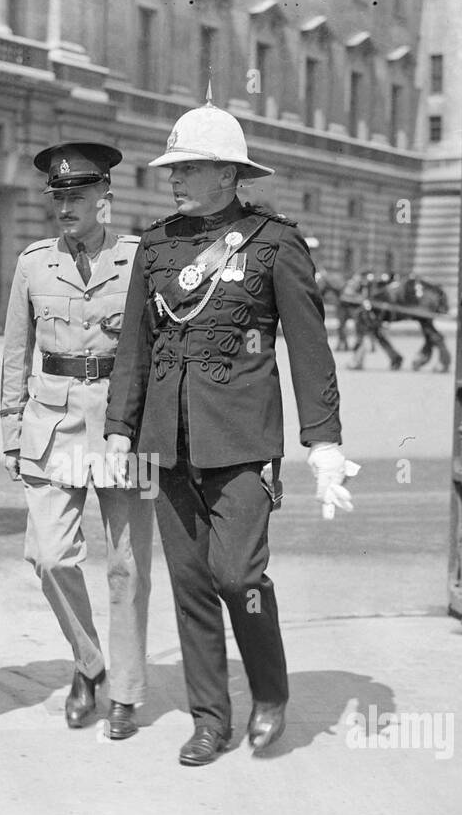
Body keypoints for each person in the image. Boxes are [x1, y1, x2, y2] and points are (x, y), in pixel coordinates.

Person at [105, 95, 354, 766]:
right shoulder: (156, 247)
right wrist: (120, 431)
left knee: (237, 572)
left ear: (227, 173)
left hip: (242, 442)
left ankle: (269, 693)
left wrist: (324, 441)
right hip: (167, 441)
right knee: (189, 583)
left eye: (188, 167)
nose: (174, 178)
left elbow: (309, 348)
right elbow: (133, 344)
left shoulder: (274, 245)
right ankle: (210, 719)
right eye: (173, 168)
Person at [0, 142, 154, 739]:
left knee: (127, 566)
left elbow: (155, 355)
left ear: (104, 200)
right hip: (52, 421)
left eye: (78, 196)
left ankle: (127, 693)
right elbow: (16, 352)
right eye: (57, 196)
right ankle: (89, 663)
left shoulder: (140, 260)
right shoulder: (33, 263)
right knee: (48, 555)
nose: (65, 206)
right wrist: (12, 432)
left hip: (125, 425)